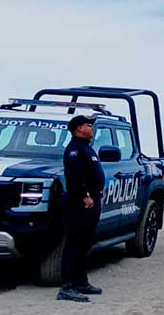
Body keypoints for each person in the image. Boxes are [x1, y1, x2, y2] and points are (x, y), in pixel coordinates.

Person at [57, 115, 105, 303]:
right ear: (78, 129)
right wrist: (84, 196)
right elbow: (73, 177)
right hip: (81, 202)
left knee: (85, 243)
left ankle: (80, 281)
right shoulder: (75, 150)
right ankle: (66, 287)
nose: (91, 127)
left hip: (93, 199)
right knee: (75, 243)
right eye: (87, 124)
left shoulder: (87, 147)